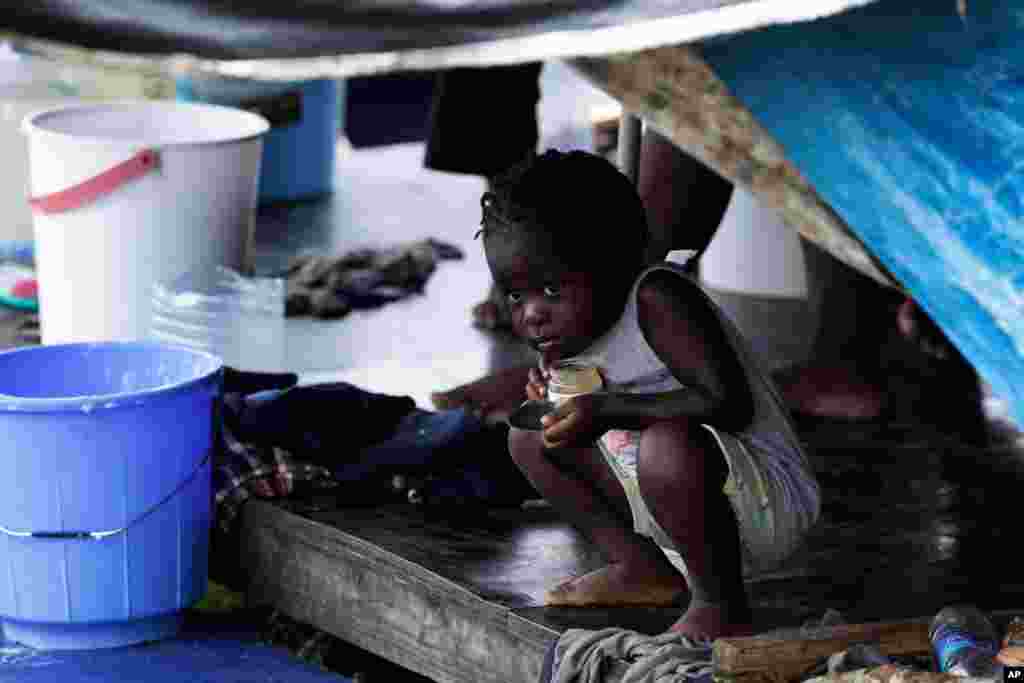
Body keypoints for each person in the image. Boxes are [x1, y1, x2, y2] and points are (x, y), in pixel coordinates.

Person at [474, 149, 821, 639]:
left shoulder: (657, 299)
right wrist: (554, 400)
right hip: (673, 508)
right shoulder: (572, 330)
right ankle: (643, 568)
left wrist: (606, 407)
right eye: (516, 295)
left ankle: (721, 604)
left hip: (764, 503)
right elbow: (592, 403)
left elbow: (727, 402)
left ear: (613, 263)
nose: (532, 314)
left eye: (551, 291)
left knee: (666, 443)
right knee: (528, 438)